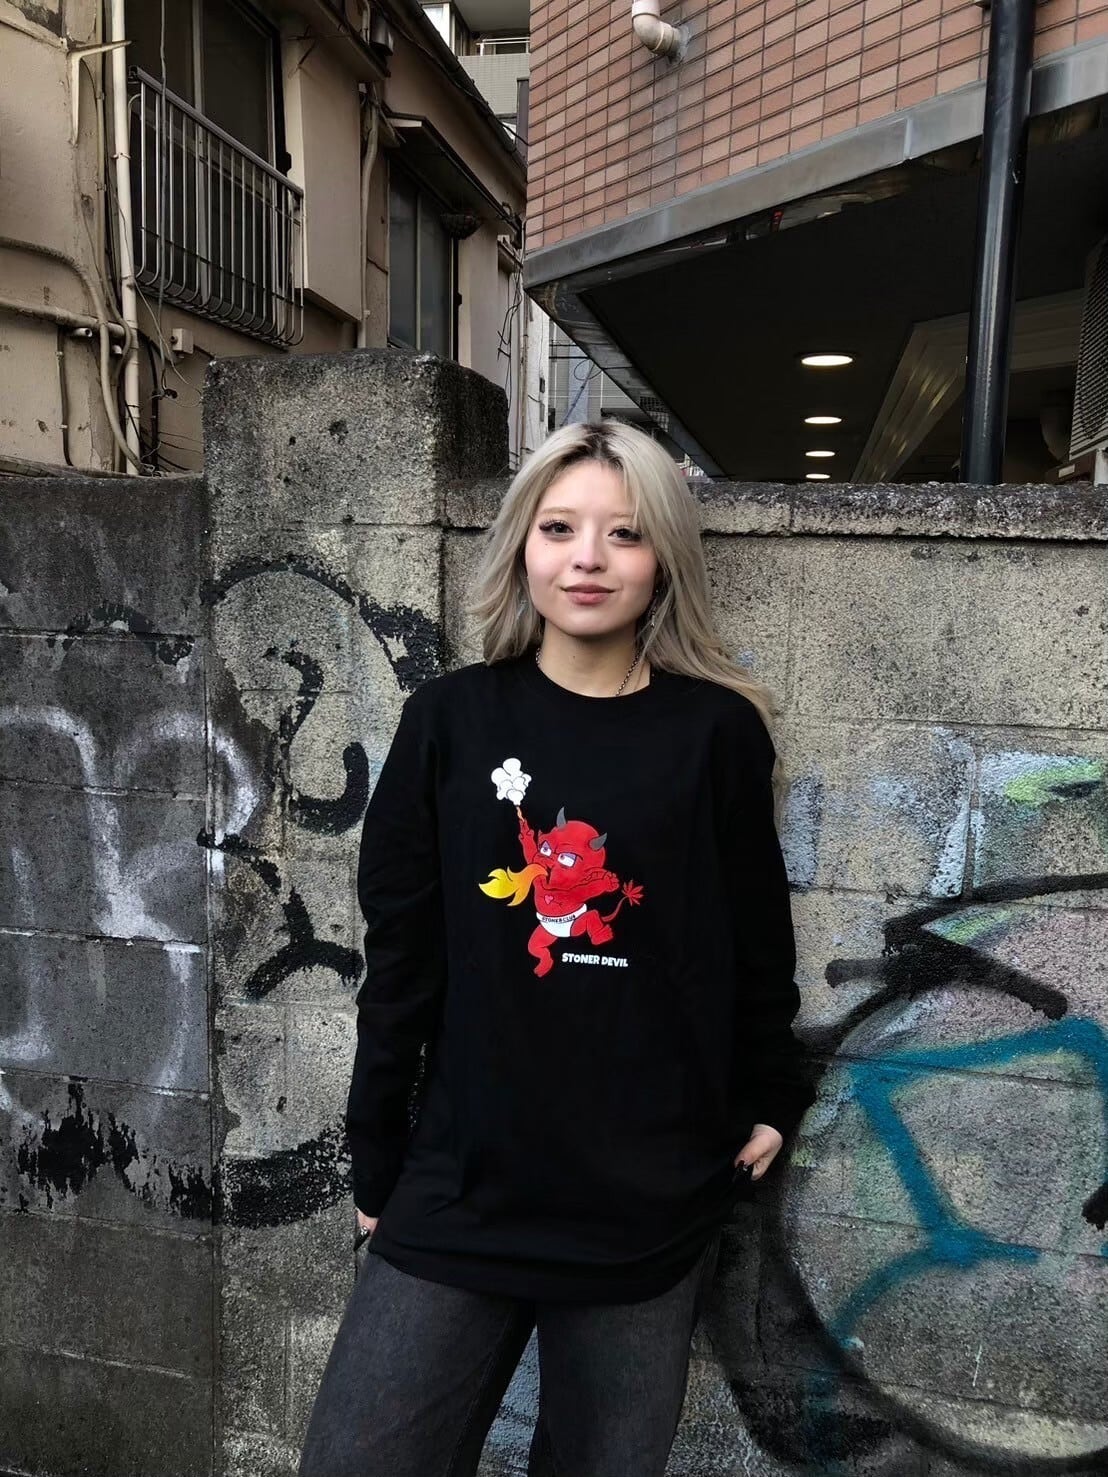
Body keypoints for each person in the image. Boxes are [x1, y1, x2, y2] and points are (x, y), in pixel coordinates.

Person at [298, 420, 814, 1477]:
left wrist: (771, 1090)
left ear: (661, 558)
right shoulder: (449, 721)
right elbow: (402, 957)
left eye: (625, 533)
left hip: (645, 1197)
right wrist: (377, 1148)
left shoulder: (714, 734)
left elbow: (754, 940)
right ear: (521, 547)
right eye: (560, 528)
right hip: (463, 1182)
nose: (589, 558)